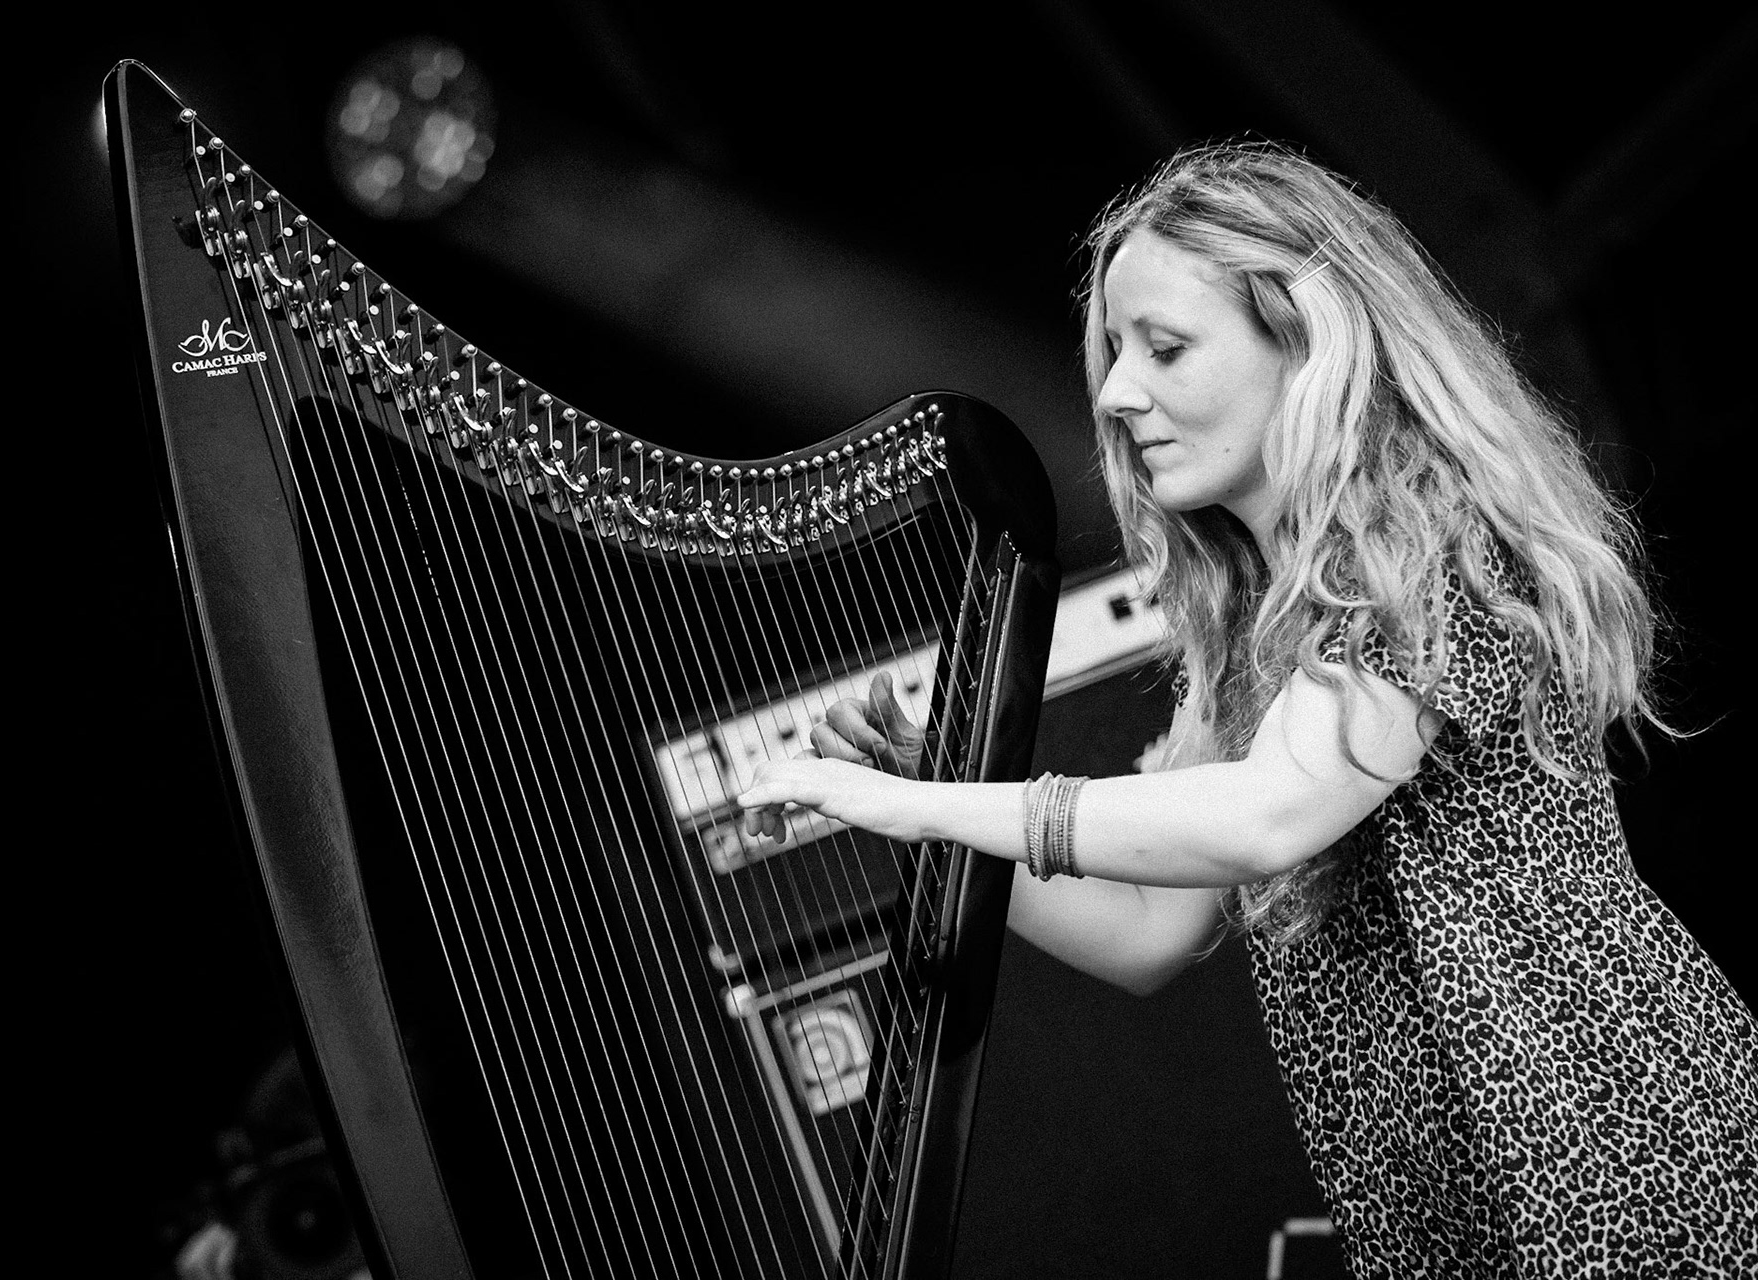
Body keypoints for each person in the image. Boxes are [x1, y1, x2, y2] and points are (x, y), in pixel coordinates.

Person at [737, 141, 1757, 1276]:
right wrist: (936, 807)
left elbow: (1264, 817)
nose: (1120, 394)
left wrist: (929, 804)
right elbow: (1146, 932)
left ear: (1305, 337)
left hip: (1603, 1154)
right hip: (1443, 1209)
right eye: (1115, 354)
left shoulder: (1420, 546)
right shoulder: (1254, 636)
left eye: (1165, 347)